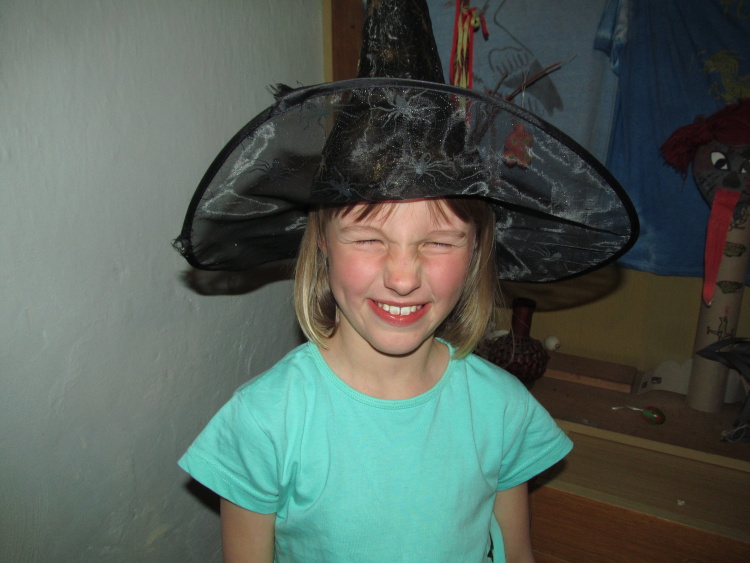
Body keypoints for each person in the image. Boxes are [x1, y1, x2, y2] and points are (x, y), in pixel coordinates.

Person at [174, 1, 637, 561]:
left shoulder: (500, 409)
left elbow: (517, 553)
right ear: (321, 242)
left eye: (439, 242)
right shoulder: (265, 422)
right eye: (368, 238)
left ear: (476, 251)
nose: (401, 278)